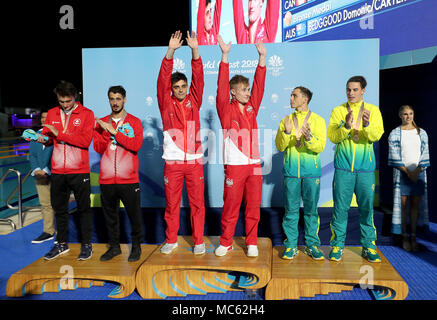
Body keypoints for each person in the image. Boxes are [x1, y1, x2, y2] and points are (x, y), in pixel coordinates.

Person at [214, 35, 266, 257]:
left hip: (254, 164)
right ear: (233, 92)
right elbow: (220, 89)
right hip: (234, 165)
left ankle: (251, 241)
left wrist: (262, 58)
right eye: (244, 90)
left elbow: (260, 86)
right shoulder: (226, 110)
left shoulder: (252, 107)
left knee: (253, 206)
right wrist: (225, 56)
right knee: (231, 206)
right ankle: (226, 242)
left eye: (248, 89)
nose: (248, 92)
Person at [156, 31, 206, 255]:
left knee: (197, 205)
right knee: (172, 205)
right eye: (176, 87)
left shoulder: (194, 101)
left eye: (183, 86)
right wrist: (171, 51)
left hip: (194, 161)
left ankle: (198, 242)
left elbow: (199, 78)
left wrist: (195, 50)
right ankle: (171, 239)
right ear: (171, 89)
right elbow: (162, 79)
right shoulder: (165, 103)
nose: (180, 90)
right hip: (173, 163)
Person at [327, 76, 384, 263]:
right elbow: (333, 137)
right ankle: (337, 246)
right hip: (343, 169)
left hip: (365, 169)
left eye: (355, 90)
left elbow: (376, 135)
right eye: (348, 90)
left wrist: (366, 125)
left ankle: (369, 246)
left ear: (363, 90)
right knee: (340, 209)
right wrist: (346, 126)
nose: (351, 93)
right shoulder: (338, 111)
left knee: (366, 209)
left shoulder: (373, 111)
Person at [39, 81, 95, 261]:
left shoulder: (87, 114)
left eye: (68, 101)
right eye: (61, 101)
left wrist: (59, 134)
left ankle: (87, 244)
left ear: (75, 97)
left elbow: (85, 141)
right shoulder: (53, 113)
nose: (64, 105)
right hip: (58, 171)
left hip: (79, 170)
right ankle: (61, 244)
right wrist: (42, 139)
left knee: (84, 209)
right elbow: (49, 139)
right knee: (60, 210)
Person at [275, 86, 326, 260]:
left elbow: (320, 147)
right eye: (291, 95)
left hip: (311, 172)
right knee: (291, 210)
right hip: (291, 173)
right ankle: (290, 246)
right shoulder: (286, 120)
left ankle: (312, 246)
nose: (290, 98)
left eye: (294, 95)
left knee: (311, 210)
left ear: (305, 99)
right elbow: (280, 146)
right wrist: (287, 132)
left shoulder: (318, 120)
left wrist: (309, 138)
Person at [94, 85, 144, 262]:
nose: (115, 103)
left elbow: (136, 145)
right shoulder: (102, 123)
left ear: (124, 99)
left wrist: (115, 132)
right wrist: (105, 132)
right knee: (110, 217)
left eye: (118, 99)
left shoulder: (134, 122)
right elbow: (98, 148)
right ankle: (114, 247)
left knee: (134, 216)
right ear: (109, 100)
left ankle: (136, 247)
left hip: (128, 179)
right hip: (107, 179)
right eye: (112, 99)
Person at [388, 105, 430, 252]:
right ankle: (404, 237)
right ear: (400, 115)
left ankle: (413, 236)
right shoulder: (395, 133)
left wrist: (416, 171)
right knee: (403, 207)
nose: (408, 117)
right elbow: (394, 154)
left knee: (415, 206)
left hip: (418, 175)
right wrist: (407, 171)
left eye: (411, 113)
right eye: (405, 114)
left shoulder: (421, 133)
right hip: (403, 175)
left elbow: (425, 154)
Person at [30, 111, 55, 244]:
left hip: (56, 174)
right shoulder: (36, 135)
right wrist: (36, 170)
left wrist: (46, 169)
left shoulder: (57, 134)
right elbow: (32, 155)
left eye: (47, 117)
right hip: (40, 176)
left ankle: (63, 234)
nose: (44, 120)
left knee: (59, 204)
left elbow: (56, 153)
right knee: (45, 204)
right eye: (43, 117)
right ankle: (48, 231)